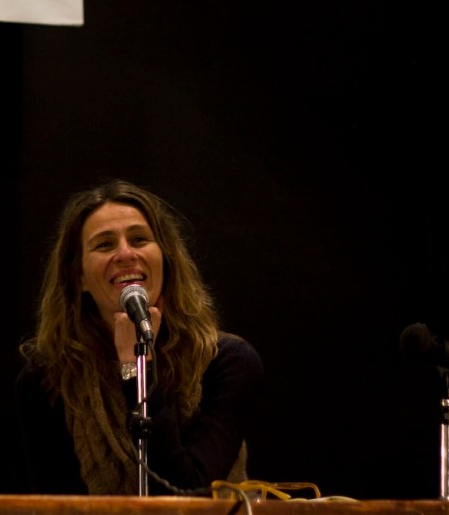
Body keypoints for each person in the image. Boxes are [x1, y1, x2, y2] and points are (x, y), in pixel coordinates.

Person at [15, 178, 264, 495]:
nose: (125, 254)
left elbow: (184, 492)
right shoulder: (45, 380)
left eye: (139, 239)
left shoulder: (229, 362)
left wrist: (137, 368)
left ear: (166, 260)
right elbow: (54, 506)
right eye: (104, 245)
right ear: (79, 277)